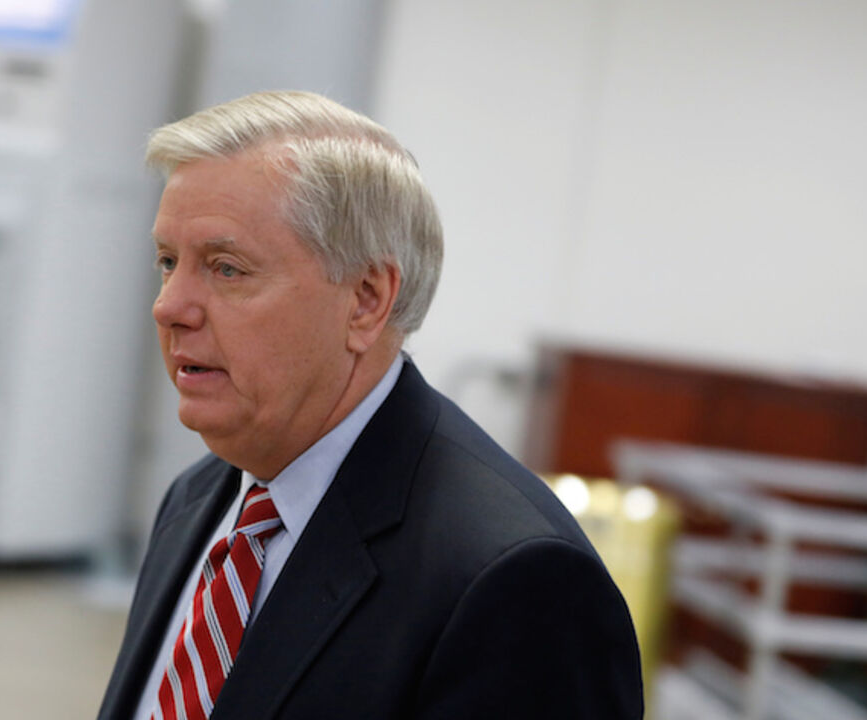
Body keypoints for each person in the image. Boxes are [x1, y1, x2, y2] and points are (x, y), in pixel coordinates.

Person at [98, 90, 643, 720]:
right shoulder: (201, 498)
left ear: (365, 300)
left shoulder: (516, 582)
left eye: (226, 269)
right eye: (168, 262)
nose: (170, 307)